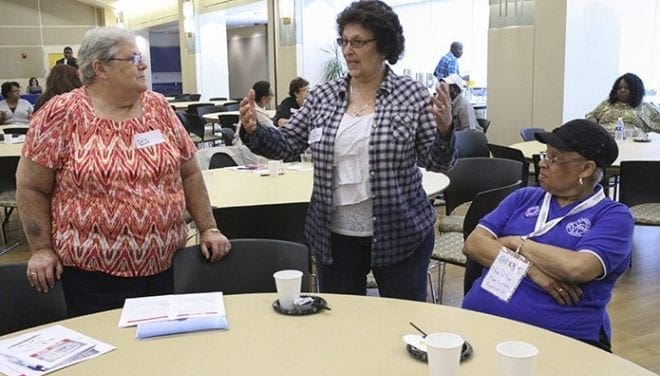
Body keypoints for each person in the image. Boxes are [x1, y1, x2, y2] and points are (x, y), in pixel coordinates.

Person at [238, 0, 457, 301]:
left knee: (403, 322)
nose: (347, 50)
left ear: (384, 47)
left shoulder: (411, 94)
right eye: (343, 41)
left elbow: (437, 161)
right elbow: (287, 143)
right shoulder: (324, 96)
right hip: (334, 237)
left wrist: (445, 132)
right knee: (342, 321)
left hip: (400, 232)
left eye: (358, 42)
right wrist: (254, 130)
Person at [16, 26, 231, 317]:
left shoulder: (159, 108)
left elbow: (190, 173)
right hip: (91, 276)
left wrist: (209, 228)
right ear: (100, 68)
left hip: (167, 266)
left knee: (162, 353)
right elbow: (31, 187)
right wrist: (41, 248)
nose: (143, 64)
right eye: (132, 58)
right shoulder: (61, 114)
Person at [462, 119, 633, 351]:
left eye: (554, 158)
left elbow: (577, 268)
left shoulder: (613, 216)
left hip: (557, 340)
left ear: (586, 169)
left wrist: (516, 242)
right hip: (480, 323)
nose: (543, 164)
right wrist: (533, 271)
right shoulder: (524, 197)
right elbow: (474, 244)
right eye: (545, 155)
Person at [585, 73, 660, 133]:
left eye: (626, 88)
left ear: (635, 90)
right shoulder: (607, 103)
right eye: (619, 88)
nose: (622, 90)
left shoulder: (644, 107)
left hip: (634, 144)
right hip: (606, 142)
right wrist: (594, 125)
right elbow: (591, 115)